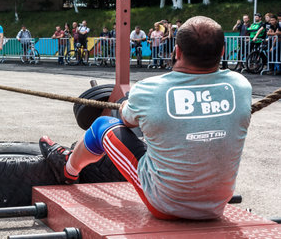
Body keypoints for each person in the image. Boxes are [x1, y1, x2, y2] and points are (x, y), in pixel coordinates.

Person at [39, 16, 252, 220]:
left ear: (177, 51)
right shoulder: (241, 86)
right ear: (223, 51)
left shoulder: (150, 89)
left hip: (165, 205)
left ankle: (68, 168)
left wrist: (125, 104)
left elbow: (127, 120)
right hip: (216, 205)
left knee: (103, 125)